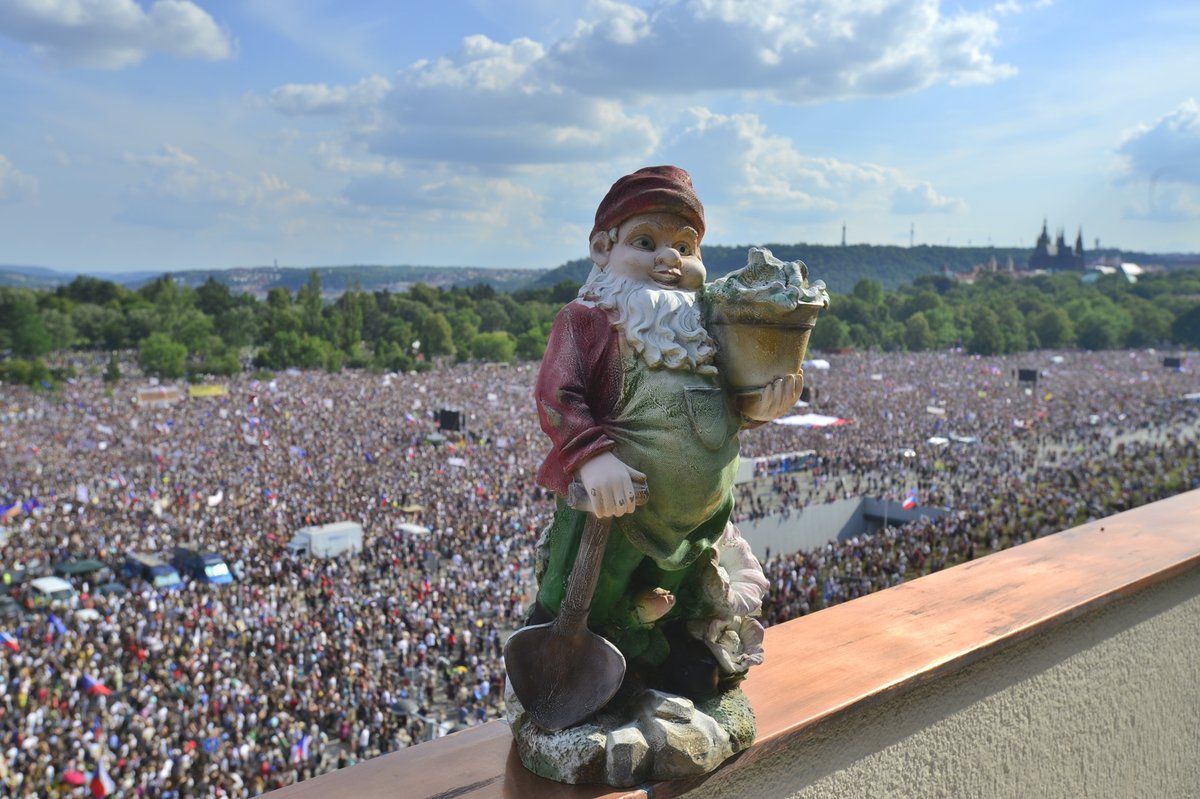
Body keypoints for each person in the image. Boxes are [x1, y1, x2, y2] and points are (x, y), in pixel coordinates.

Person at [529, 165, 798, 698]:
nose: (669, 260)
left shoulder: (704, 320)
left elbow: (717, 400)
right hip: (623, 504)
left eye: (685, 246)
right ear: (602, 248)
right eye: (646, 242)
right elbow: (558, 395)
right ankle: (595, 665)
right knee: (601, 590)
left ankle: (660, 651)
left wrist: (757, 407)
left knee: (668, 596)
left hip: (696, 516)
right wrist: (592, 456)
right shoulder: (588, 319)